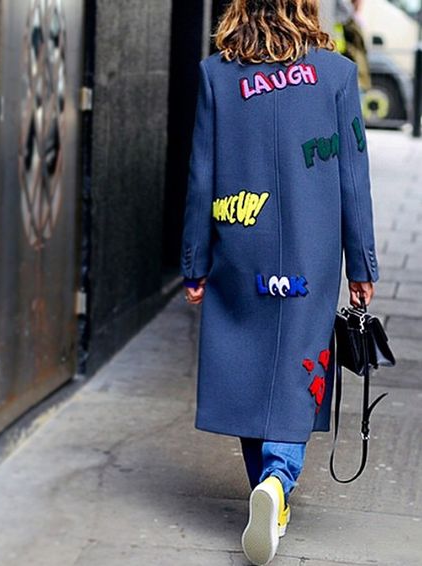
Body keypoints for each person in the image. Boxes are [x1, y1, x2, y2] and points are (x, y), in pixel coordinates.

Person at [180, 1, 379, 564]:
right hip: (311, 253)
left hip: (241, 243)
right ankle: (277, 481)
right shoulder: (336, 74)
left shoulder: (217, 75)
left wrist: (194, 262)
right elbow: (353, 176)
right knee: (298, 364)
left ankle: (267, 490)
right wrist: (361, 266)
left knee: (249, 365)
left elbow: (200, 175)